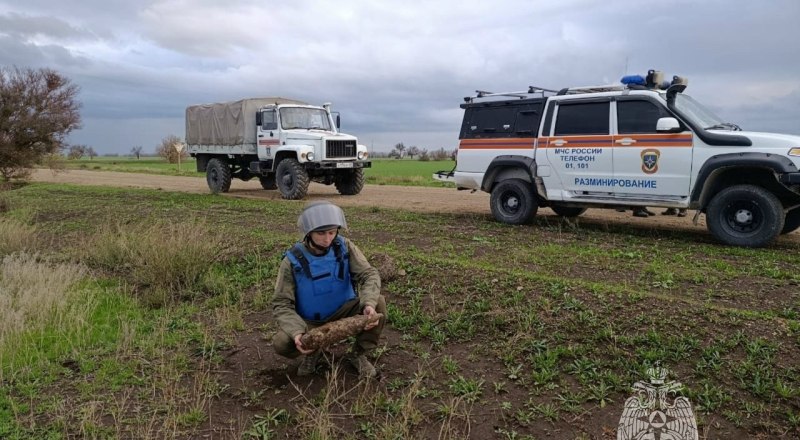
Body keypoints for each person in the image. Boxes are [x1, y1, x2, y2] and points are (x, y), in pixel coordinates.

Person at [272, 201, 386, 379]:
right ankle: (312, 353)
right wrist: (297, 332)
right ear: (308, 232)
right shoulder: (292, 261)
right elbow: (281, 303)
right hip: (311, 322)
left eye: (332, 232)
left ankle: (358, 354)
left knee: (378, 303)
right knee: (282, 343)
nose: (327, 239)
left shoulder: (345, 247)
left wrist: (368, 303)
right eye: (321, 233)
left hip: (344, 311)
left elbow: (368, 274)